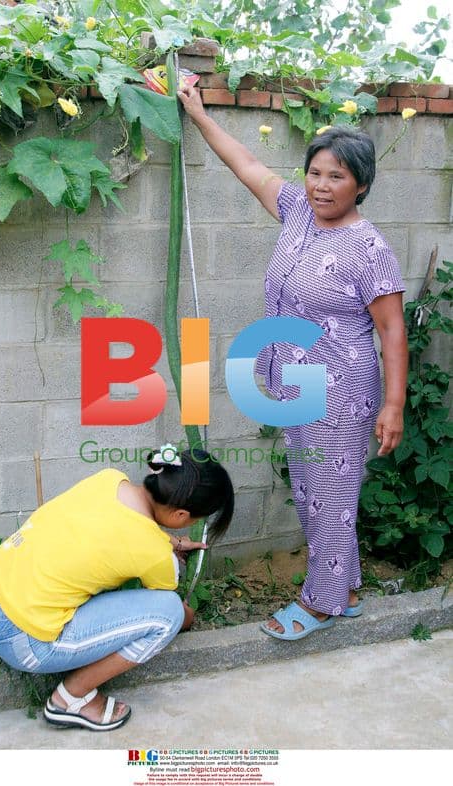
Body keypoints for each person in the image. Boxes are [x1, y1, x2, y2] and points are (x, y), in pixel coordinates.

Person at [177, 86, 408, 640]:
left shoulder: (369, 248)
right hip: (295, 383)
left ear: (363, 186)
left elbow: (392, 329)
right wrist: (199, 115)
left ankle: (322, 602)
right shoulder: (298, 211)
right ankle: (344, 588)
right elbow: (248, 164)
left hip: (342, 388)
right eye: (316, 173)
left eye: (337, 177)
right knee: (312, 489)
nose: (322, 186)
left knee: (330, 492)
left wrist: (394, 404)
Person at [0, 446, 234, 730]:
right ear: (182, 514)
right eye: (195, 520)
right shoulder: (155, 555)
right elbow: (168, 605)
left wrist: (171, 541)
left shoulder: (109, 479)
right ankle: (72, 698)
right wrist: (186, 616)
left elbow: (118, 525)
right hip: (24, 639)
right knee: (168, 613)